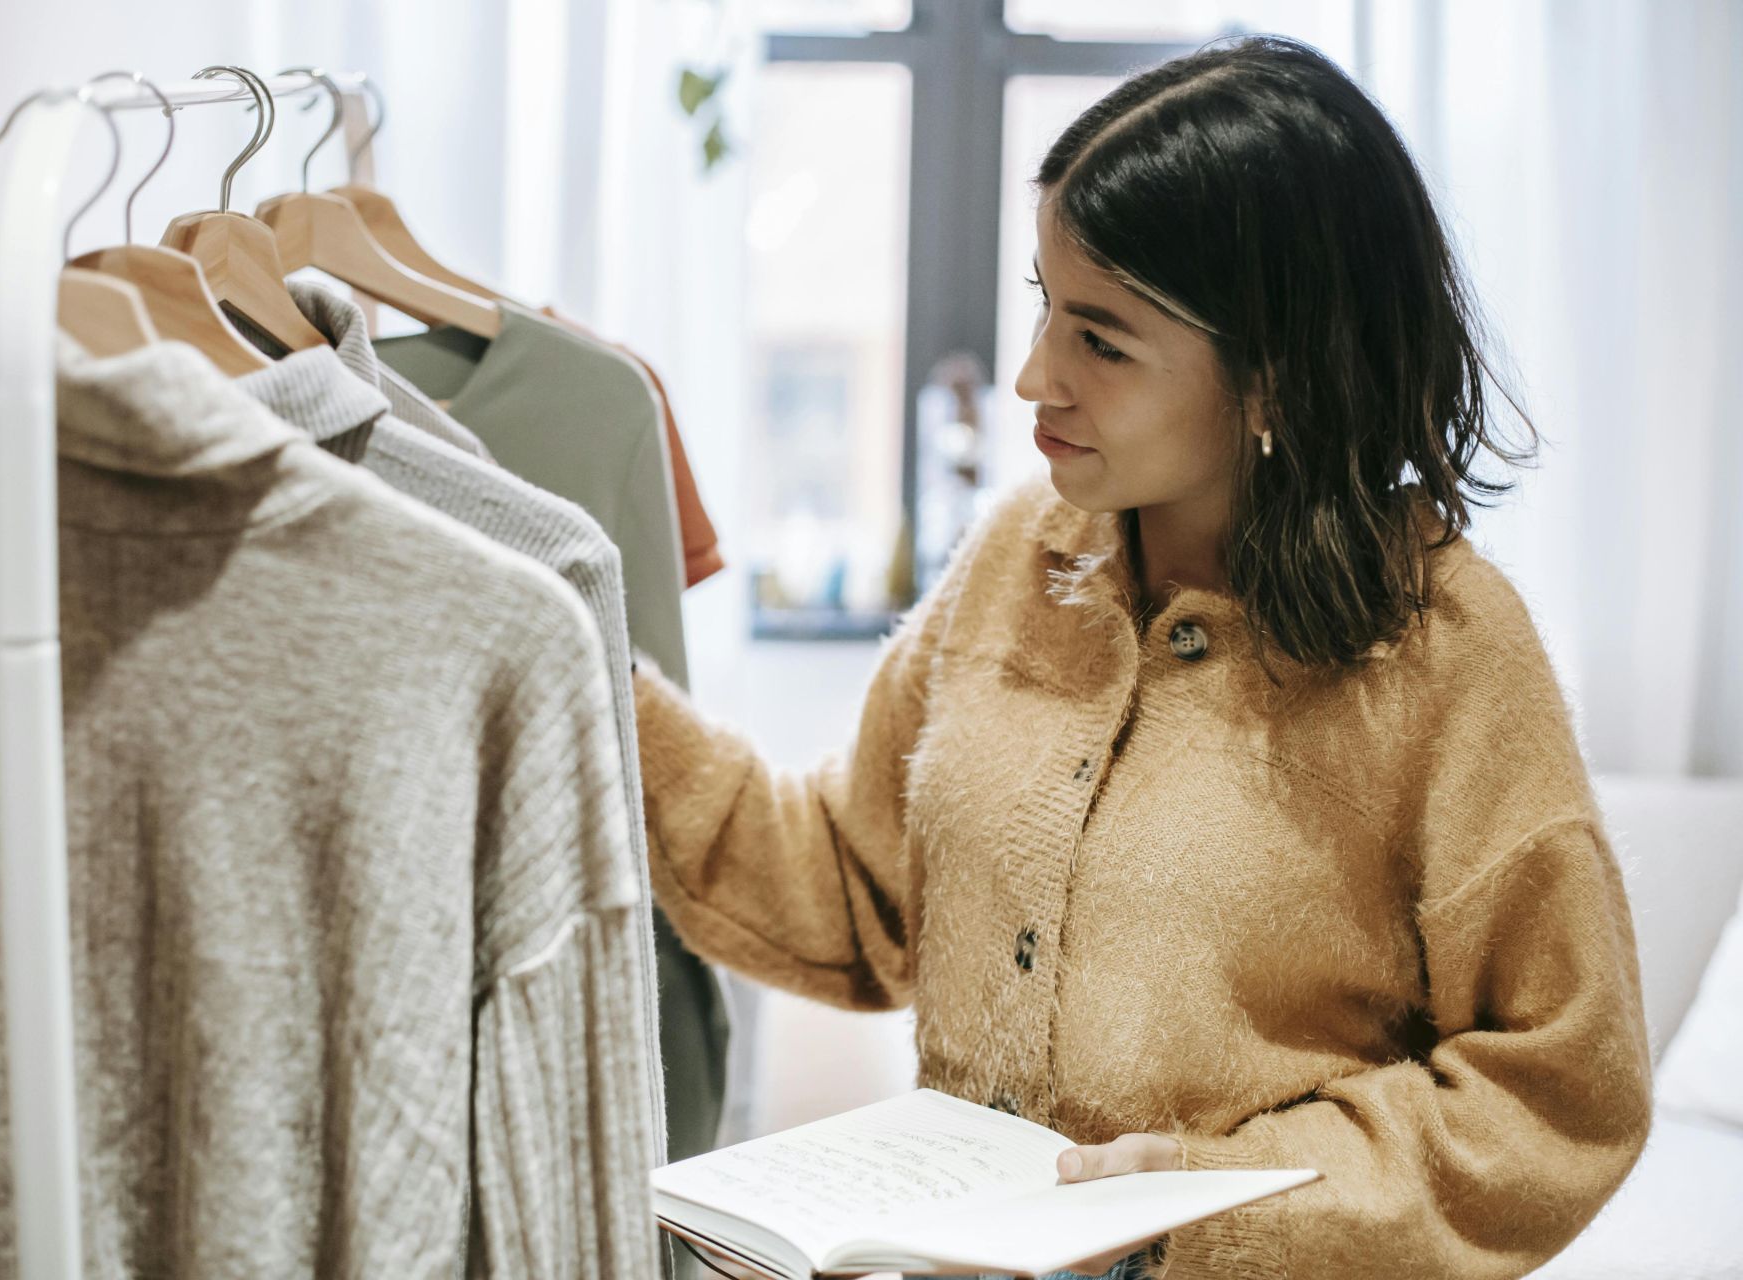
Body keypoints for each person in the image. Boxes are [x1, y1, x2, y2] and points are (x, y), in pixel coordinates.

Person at [633, 34, 1651, 1280]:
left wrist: (1208, 1212)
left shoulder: (1444, 650)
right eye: (1043, 306)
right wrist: (584, 690)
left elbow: (1561, 1089)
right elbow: (850, 888)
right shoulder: (1017, 556)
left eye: (1101, 341)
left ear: (1277, 372)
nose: (1031, 378)